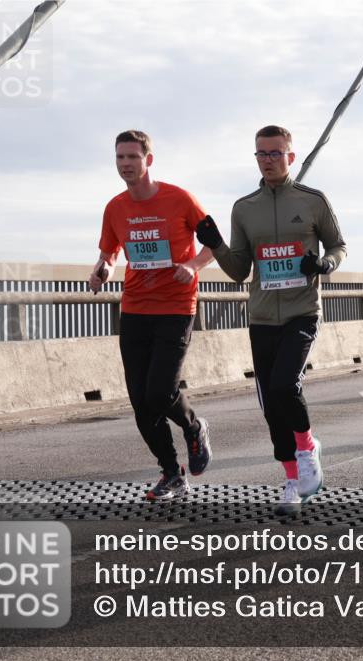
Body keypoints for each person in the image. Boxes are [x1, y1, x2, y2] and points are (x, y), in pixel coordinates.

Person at [196, 125, 347, 517]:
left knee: (285, 384)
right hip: (262, 316)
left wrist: (325, 264)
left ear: (290, 157)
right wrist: (214, 244)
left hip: (302, 311)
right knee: (270, 405)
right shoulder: (244, 208)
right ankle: (293, 479)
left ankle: (308, 445)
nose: (268, 160)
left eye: (275, 153)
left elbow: (338, 245)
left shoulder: (313, 200)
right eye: (261, 154)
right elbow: (239, 270)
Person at [91, 130, 214, 501]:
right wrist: (102, 269)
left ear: (149, 160)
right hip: (135, 309)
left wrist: (192, 266)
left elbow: (216, 245)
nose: (125, 164)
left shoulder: (180, 199)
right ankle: (170, 473)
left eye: (132, 157)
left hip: (176, 307)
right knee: (140, 401)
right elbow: (109, 253)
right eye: (119, 158)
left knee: (160, 391)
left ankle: (194, 428)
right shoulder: (115, 207)